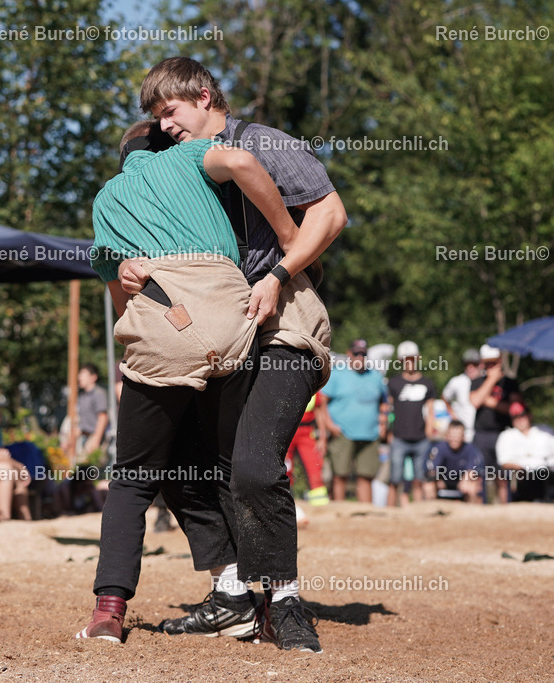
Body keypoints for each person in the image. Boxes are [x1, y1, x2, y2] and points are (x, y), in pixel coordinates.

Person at [117, 58, 346, 654]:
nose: (165, 126)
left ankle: (284, 601)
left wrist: (280, 271)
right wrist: (128, 267)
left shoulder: (263, 143)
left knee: (252, 465)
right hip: (213, 329)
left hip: (283, 323)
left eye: (170, 111)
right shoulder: (178, 169)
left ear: (204, 95)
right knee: (174, 459)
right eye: (156, 119)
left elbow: (331, 214)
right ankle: (232, 593)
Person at [76, 118, 306, 644]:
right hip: (234, 319)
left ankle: (109, 612)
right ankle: (266, 601)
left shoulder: (107, 197)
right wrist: (290, 240)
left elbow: (121, 307)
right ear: (168, 144)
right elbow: (242, 161)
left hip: (164, 328)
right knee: (232, 464)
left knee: (134, 478)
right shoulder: (190, 156)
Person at [321, 340, 388, 504]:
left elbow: (384, 403)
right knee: (340, 475)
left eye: (363, 354)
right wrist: (329, 425)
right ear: (349, 354)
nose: (360, 357)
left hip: (370, 434)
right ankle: (339, 511)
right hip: (342, 433)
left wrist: (383, 423)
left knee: (366, 476)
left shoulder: (375, 376)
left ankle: (365, 512)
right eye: (356, 353)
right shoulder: (337, 374)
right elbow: (321, 402)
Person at [470, 344, 522, 503]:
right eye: (487, 363)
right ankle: (481, 508)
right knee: (479, 476)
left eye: (493, 362)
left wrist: (489, 401)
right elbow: (475, 401)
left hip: (503, 433)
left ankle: (506, 508)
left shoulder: (510, 383)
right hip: (481, 434)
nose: (490, 366)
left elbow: (515, 409)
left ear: (500, 361)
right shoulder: (477, 381)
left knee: (503, 477)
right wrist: (492, 379)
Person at [386, 341, 436, 505]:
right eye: (406, 359)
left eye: (412, 359)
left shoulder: (427, 384)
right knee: (394, 479)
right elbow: (388, 409)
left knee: (419, 479)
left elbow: (430, 410)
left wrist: (429, 431)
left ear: (417, 359)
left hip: (421, 438)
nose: (409, 362)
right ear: (400, 361)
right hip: (399, 437)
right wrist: (388, 432)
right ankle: (390, 511)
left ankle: (418, 511)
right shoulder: (394, 383)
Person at [495, 402, 554, 502]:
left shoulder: (545, 431)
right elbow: (503, 462)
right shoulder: (507, 436)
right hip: (526, 477)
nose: (519, 419)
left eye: (522, 415)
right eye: (515, 417)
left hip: (550, 474)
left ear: (529, 415)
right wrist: (520, 469)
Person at [284, 391, 329, 506]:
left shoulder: (314, 388)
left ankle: (320, 504)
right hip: (286, 432)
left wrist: (322, 438)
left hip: (306, 432)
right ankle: (285, 503)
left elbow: (319, 413)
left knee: (315, 466)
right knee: (284, 469)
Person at [59, 363, 110, 464]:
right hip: (83, 438)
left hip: (95, 437)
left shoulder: (98, 394)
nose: (79, 377)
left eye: (83, 374)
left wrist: (96, 439)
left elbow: (103, 417)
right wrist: (69, 440)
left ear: (93, 377)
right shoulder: (82, 396)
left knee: (92, 467)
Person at [429, 421, 484, 503]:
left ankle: (473, 510)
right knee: (428, 486)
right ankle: (431, 509)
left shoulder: (471, 449)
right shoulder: (439, 448)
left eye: (458, 435)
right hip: (443, 481)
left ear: (463, 437)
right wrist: (437, 479)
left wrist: (465, 480)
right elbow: (432, 470)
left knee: (471, 487)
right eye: (452, 435)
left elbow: (472, 470)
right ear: (447, 436)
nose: (455, 439)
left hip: (462, 481)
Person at [442, 349, 481, 442]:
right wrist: (453, 414)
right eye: (467, 364)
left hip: (481, 431)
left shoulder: (486, 381)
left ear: (480, 365)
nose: (470, 367)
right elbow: (445, 396)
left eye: (474, 364)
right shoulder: (457, 381)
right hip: (464, 433)